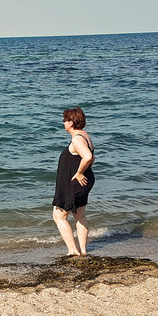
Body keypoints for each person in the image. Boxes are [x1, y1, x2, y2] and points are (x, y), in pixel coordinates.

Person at [52, 107, 95, 256]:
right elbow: (93, 159)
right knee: (80, 215)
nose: (63, 123)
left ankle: (72, 251)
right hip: (85, 181)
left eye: (65, 120)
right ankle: (83, 251)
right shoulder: (85, 136)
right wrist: (84, 172)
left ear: (71, 123)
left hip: (76, 181)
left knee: (59, 216)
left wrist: (79, 172)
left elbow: (88, 157)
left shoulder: (77, 139)